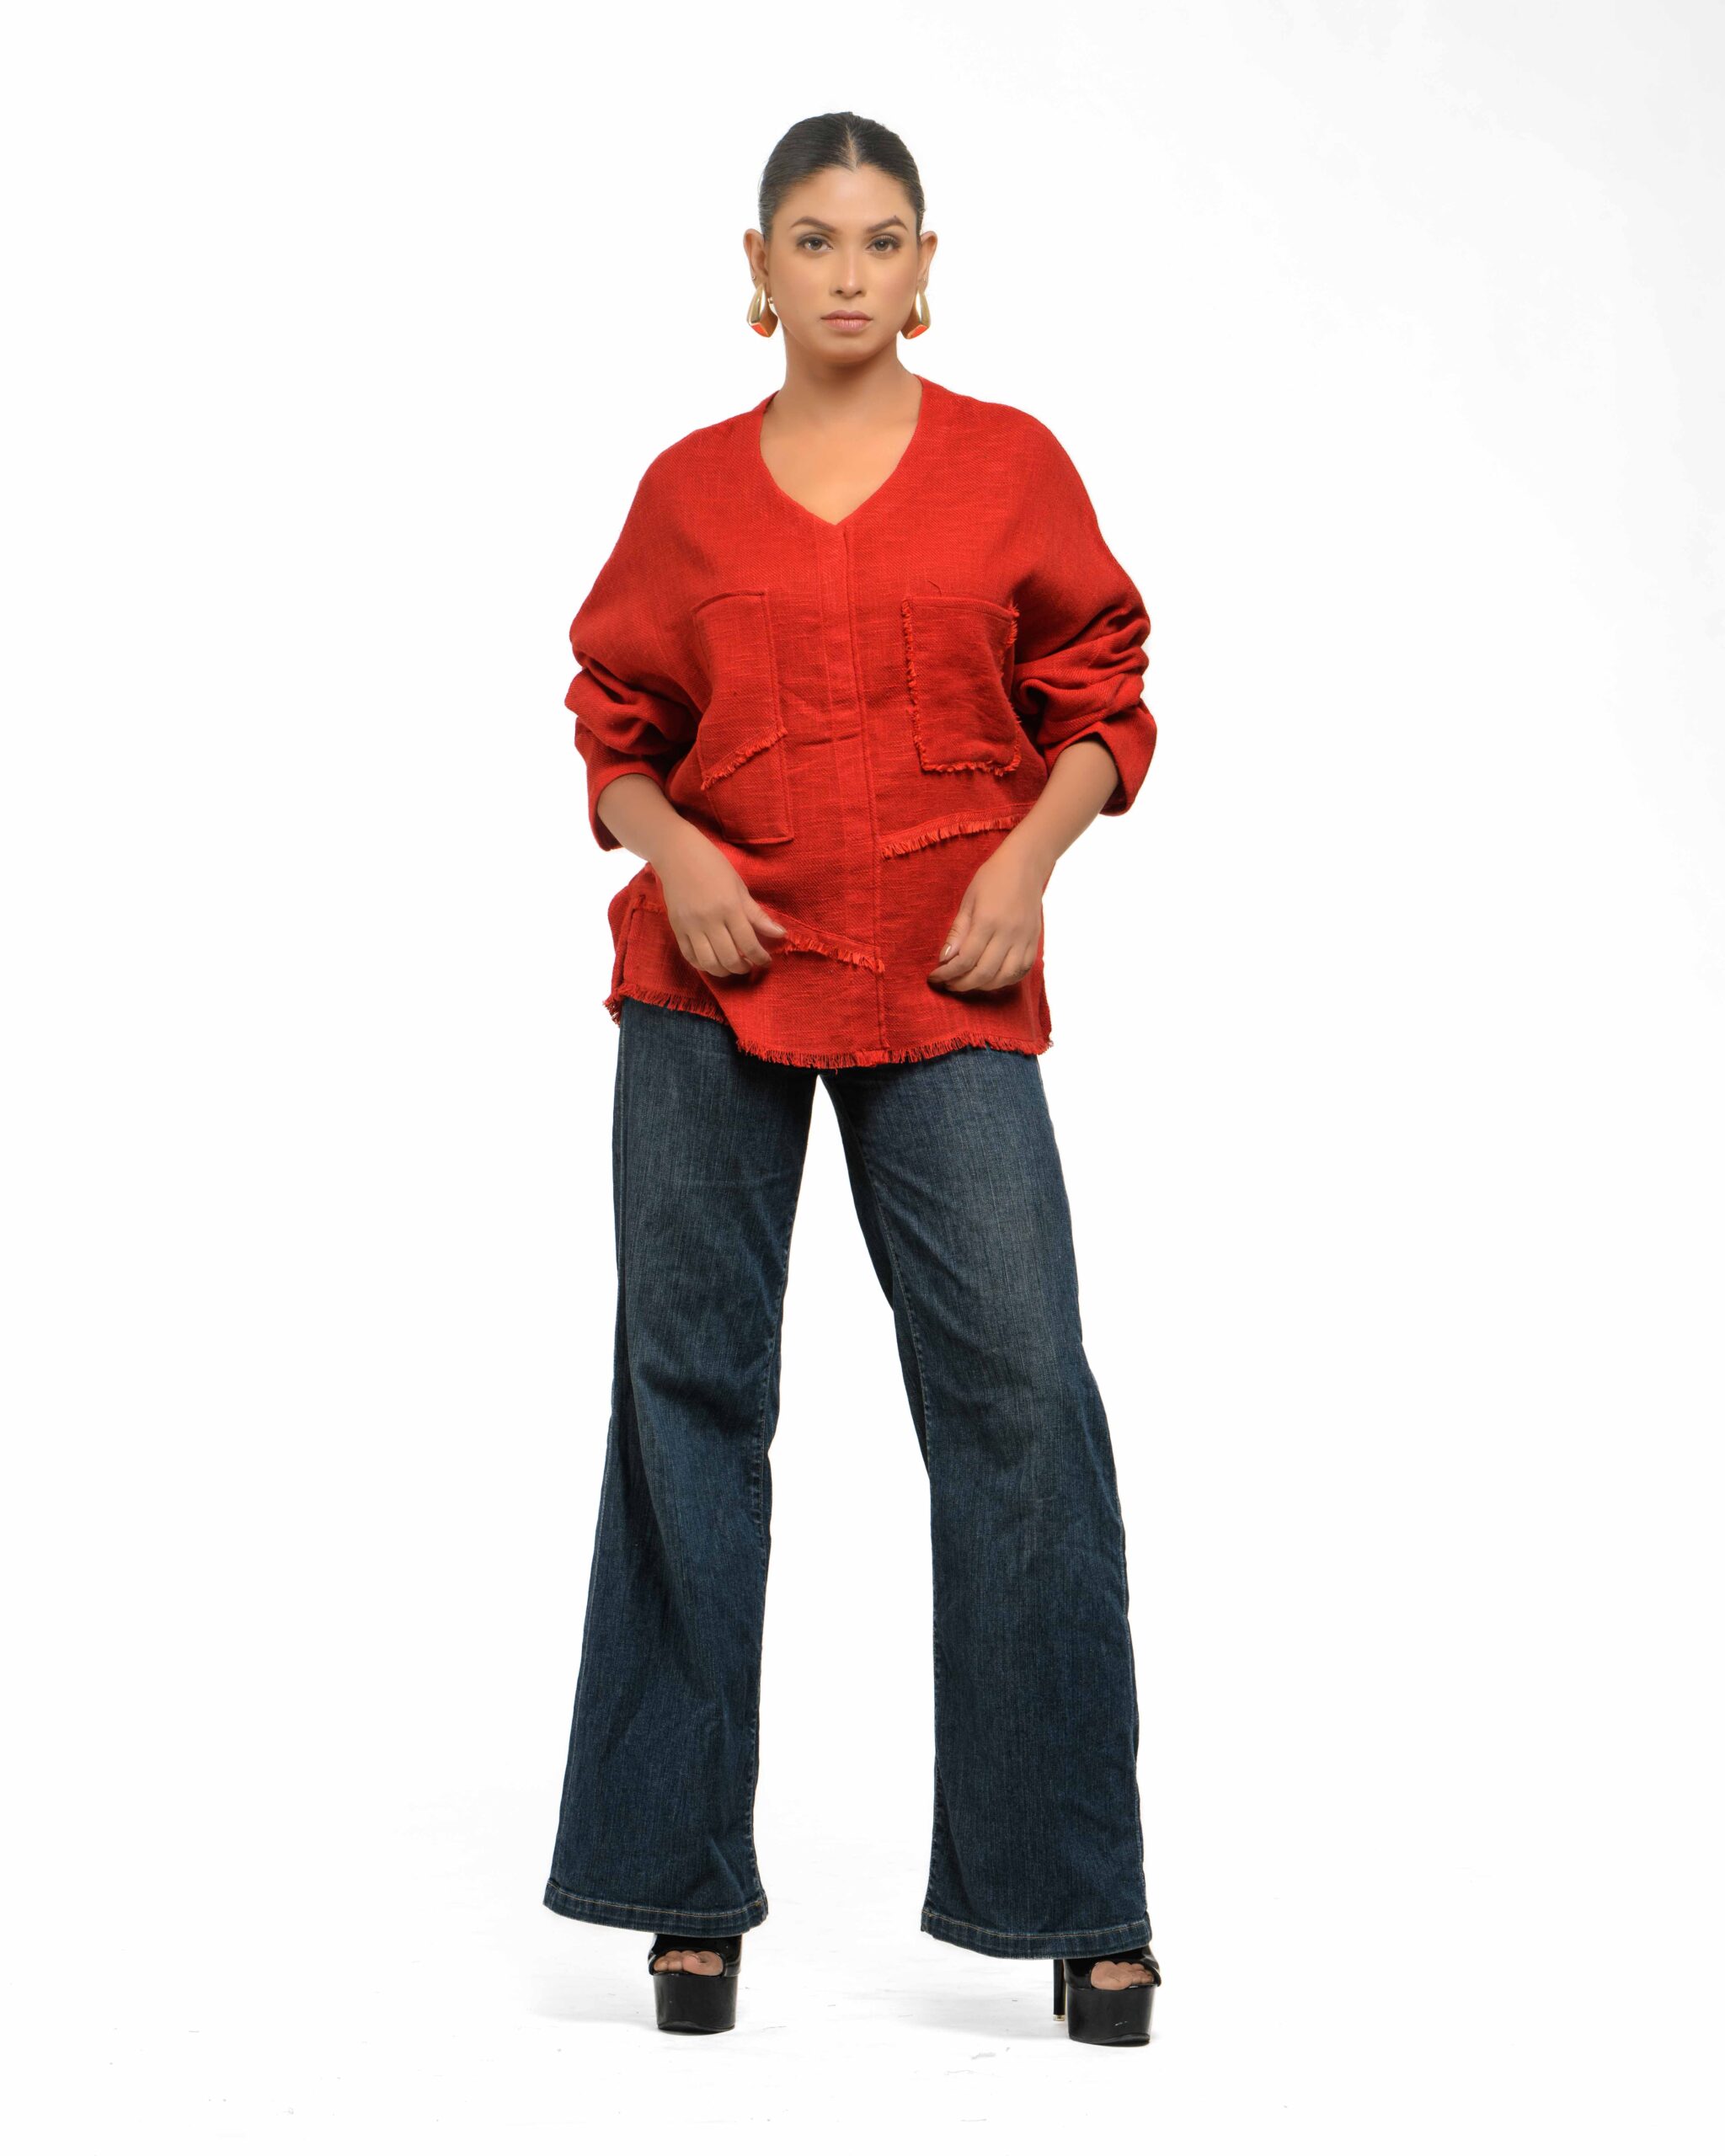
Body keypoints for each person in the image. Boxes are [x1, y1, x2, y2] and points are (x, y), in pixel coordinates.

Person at [543, 111, 1164, 2047]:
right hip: (710, 984)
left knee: (1021, 1401)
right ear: (757, 266)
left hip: (944, 968)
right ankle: (678, 1892)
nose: (845, 271)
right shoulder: (686, 494)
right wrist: (674, 850)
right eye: (811, 239)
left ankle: (1074, 1896)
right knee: (688, 1405)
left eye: (880, 239)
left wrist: (1024, 866)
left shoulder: (1009, 467)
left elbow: (1103, 688)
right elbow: (615, 719)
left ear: (924, 266)